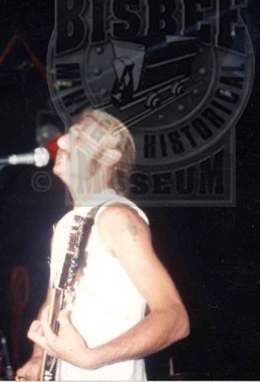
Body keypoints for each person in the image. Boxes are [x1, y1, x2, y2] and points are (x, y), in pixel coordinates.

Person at [16, 109, 189, 380]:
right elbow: (53, 303)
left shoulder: (117, 217)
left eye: (78, 136)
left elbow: (175, 318)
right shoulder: (65, 225)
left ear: (110, 156)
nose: (61, 141)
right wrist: (39, 357)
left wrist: (92, 358)